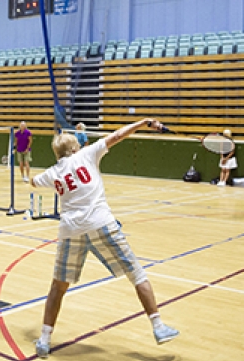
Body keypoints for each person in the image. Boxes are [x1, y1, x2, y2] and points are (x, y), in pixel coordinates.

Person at [31, 118, 179, 358]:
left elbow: (32, 181)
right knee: (137, 274)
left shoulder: (52, 173)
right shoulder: (88, 154)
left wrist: (23, 164)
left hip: (70, 230)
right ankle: (159, 327)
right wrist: (142, 122)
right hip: (101, 223)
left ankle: (44, 340)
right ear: (75, 148)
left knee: (58, 286)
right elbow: (118, 135)